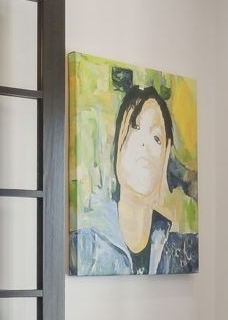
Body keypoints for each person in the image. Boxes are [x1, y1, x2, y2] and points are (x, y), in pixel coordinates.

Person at [70, 84, 198, 275]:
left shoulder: (180, 252)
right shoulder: (83, 246)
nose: (144, 143)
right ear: (117, 148)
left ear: (165, 156)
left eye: (156, 138)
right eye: (135, 128)